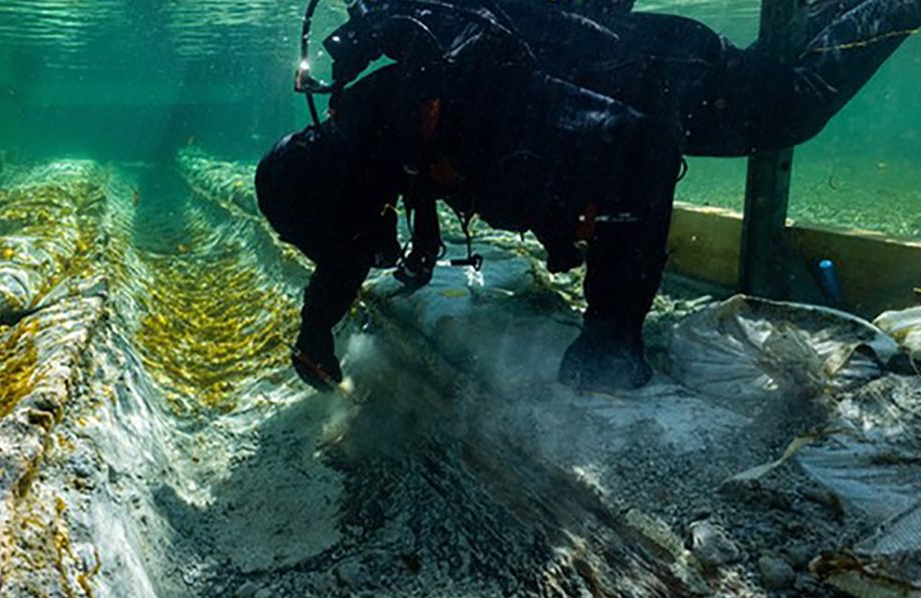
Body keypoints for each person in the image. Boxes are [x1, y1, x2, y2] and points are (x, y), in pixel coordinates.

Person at [257, 0, 920, 392]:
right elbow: (345, 242)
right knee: (779, 82)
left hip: (658, 73)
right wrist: (316, 329)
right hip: (618, 81)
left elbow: (645, 153)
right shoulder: (375, 132)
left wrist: (611, 328)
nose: (365, 236)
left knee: (790, 106)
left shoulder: (459, 117)